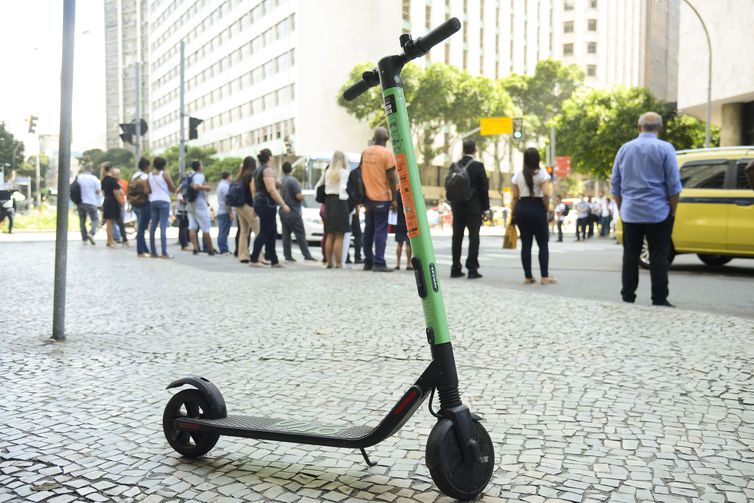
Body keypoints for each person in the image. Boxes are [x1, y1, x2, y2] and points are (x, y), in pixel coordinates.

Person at [610, 111, 682, 307]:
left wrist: (621, 206)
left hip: (630, 212)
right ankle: (659, 298)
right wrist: (673, 210)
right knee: (658, 254)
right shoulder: (665, 149)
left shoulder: (625, 149)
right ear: (659, 128)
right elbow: (674, 185)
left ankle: (628, 296)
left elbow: (615, 184)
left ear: (639, 127)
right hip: (658, 212)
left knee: (630, 254)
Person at [511, 148, 556, 285]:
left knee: (526, 244)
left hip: (521, 208)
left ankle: (528, 276)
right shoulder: (543, 174)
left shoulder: (518, 175)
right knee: (543, 244)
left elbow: (514, 197)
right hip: (537, 208)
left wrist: (513, 214)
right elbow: (546, 194)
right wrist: (547, 209)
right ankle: (544, 276)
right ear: (537, 159)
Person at [450, 138, 490, 279]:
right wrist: (486, 209)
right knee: (474, 238)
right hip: (474, 209)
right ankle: (472, 269)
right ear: (475, 150)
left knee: (457, 238)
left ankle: (455, 268)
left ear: (463, 150)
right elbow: (483, 188)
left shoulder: (454, 165)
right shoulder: (478, 166)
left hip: (457, 208)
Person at [361, 127, 398, 272]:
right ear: (386, 139)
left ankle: (368, 261)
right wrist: (394, 199)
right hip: (382, 198)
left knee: (368, 230)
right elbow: (391, 177)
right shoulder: (386, 154)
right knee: (381, 230)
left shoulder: (365, 152)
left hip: (367, 198)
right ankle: (379, 262)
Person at [250, 149, 290, 267]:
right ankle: (254, 259)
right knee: (265, 232)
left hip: (260, 201)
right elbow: (271, 189)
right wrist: (283, 204)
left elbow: (254, 189)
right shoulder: (266, 170)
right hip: (267, 203)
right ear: (270, 157)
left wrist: (254, 206)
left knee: (271, 232)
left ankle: (274, 260)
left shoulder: (257, 170)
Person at [317, 151, 350, 268]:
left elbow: (320, 186)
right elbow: (344, 189)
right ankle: (339, 263)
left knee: (330, 234)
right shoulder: (344, 172)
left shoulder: (328, 172)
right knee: (339, 235)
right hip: (340, 203)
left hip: (329, 202)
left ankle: (329, 262)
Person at [280, 161, 315, 262]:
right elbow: (298, 196)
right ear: (291, 169)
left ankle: (287, 255)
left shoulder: (281, 180)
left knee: (286, 235)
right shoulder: (293, 181)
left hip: (283, 210)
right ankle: (306, 254)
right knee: (300, 234)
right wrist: (304, 197)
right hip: (293, 211)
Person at [185, 160, 216, 255]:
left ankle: (195, 248)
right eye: (202, 165)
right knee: (205, 228)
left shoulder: (190, 175)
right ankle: (210, 249)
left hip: (190, 204)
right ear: (199, 167)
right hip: (199, 205)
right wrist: (206, 187)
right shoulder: (199, 175)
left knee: (192, 226)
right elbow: (195, 186)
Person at [148, 156, 176, 258]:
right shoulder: (164, 174)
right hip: (164, 200)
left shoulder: (150, 175)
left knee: (153, 226)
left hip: (153, 201)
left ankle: (153, 251)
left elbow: (149, 189)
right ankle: (164, 252)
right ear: (163, 165)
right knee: (163, 226)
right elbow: (172, 187)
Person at [235, 156, 259, 263]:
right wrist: (255, 206)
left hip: (239, 206)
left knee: (244, 231)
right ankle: (258, 255)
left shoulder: (240, 176)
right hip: (249, 206)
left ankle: (243, 255)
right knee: (258, 231)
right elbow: (253, 192)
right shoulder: (251, 175)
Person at [101, 162, 128, 248]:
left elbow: (103, 192)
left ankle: (109, 240)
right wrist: (119, 202)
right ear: (111, 169)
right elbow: (116, 192)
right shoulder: (112, 180)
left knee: (109, 222)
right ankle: (111, 241)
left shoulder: (104, 179)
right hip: (113, 202)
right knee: (111, 222)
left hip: (107, 200)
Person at [130, 157, 152, 257]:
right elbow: (147, 191)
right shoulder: (145, 177)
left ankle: (144, 248)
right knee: (142, 228)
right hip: (144, 203)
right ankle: (140, 250)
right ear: (147, 166)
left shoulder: (135, 176)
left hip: (134, 203)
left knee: (140, 226)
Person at [75, 163, 101, 244]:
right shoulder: (94, 178)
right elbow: (97, 191)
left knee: (82, 220)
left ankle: (84, 237)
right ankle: (91, 233)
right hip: (91, 202)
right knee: (95, 219)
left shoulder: (79, 177)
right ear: (91, 170)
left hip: (80, 202)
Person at [346, 159, 364, 264]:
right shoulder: (357, 174)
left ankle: (349, 257)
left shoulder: (355, 173)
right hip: (352, 206)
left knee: (351, 232)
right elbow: (357, 191)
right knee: (356, 233)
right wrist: (358, 203)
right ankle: (356, 257)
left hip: (350, 206)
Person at [393, 190, 413, 270]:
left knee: (399, 243)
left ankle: (398, 263)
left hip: (399, 220)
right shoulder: (410, 193)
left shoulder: (397, 193)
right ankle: (409, 264)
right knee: (408, 243)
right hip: (409, 220)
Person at [215, 171, 233, 255]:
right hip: (225, 211)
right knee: (224, 231)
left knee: (222, 230)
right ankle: (224, 248)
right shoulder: (225, 186)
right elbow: (228, 201)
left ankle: (222, 247)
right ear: (228, 176)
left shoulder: (220, 185)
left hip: (221, 210)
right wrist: (230, 212)